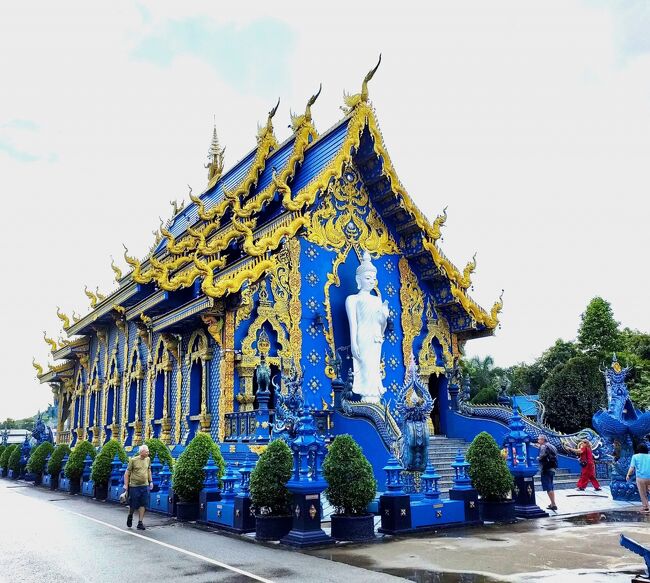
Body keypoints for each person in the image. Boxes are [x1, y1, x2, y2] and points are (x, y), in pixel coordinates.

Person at [345, 251, 389, 403]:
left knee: (374, 368)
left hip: (375, 338)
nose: (371, 281)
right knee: (365, 368)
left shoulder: (377, 300)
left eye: (374, 279)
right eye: (368, 278)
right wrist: (353, 344)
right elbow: (353, 324)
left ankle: (374, 397)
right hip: (362, 337)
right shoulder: (352, 299)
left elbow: (381, 325)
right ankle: (366, 397)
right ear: (359, 279)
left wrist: (384, 316)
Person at [124, 444, 153, 530]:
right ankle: (130, 515)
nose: (148, 453)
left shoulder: (148, 459)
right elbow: (127, 473)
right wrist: (126, 485)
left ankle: (140, 522)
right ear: (141, 452)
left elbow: (149, 470)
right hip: (134, 486)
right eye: (146, 451)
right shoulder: (133, 460)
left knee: (143, 504)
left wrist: (150, 481)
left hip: (144, 485)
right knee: (133, 504)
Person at [626, 443, 650, 513]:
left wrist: (628, 475)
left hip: (640, 478)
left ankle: (645, 507)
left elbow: (632, 468)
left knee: (643, 493)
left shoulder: (635, 456)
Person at [537, 434, 558, 511]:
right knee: (551, 485)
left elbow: (541, 457)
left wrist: (537, 458)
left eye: (539, 439)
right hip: (553, 468)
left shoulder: (543, 446)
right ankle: (552, 503)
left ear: (542, 440)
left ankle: (553, 504)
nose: (538, 441)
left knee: (548, 486)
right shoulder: (552, 446)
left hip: (546, 468)